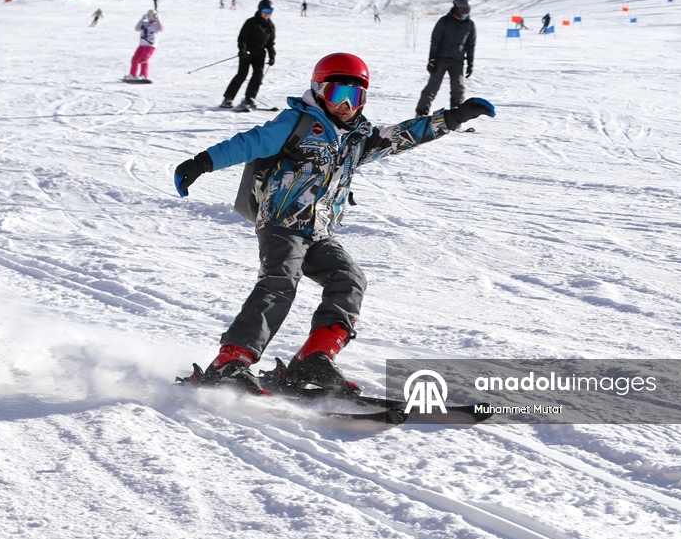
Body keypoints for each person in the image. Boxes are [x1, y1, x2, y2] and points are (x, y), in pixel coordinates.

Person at [172, 53, 495, 394]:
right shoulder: (295, 123)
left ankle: (315, 357)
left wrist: (455, 117)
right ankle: (231, 360)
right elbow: (248, 143)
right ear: (318, 90)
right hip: (281, 222)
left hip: (319, 230)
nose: (345, 105)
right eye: (337, 93)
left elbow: (406, 134)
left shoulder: (360, 137)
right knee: (280, 281)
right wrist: (200, 163)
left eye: (354, 96)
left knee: (349, 279)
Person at [415, 0, 476, 116]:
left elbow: (471, 45)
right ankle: (421, 112)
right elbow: (435, 40)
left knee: (458, 89)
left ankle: (456, 113)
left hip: (457, 61)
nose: (464, 14)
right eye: (462, 10)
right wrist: (432, 59)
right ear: (456, 8)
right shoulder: (444, 21)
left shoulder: (469, 25)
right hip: (440, 60)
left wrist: (470, 62)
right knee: (433, 86)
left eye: (467, 11)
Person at [220, 0, 276, 110]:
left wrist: (272, 56)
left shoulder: (270, 26)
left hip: (260, 54)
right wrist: (242, 50)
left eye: (270, 11)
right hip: (247, 53)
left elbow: (270, 43)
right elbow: (242, 38)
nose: (267, 14)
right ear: (260, 10)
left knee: (258, 76)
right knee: (242, 74)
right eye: (265, 10)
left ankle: (249, 98)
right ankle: (227, 99)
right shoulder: (251, 22)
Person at [127, 10, 163, 81]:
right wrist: (141, 20)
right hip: (142, 45)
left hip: (150, 46)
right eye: (149, 16)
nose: (151, 18)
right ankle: (132, 74)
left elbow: (161, 29)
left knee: (144, 59)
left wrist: (158, 19)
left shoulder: (156, 25)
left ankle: (143, 75)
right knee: (135, 59)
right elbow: (137, 28)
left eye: (153, 16)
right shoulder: (144, 23)